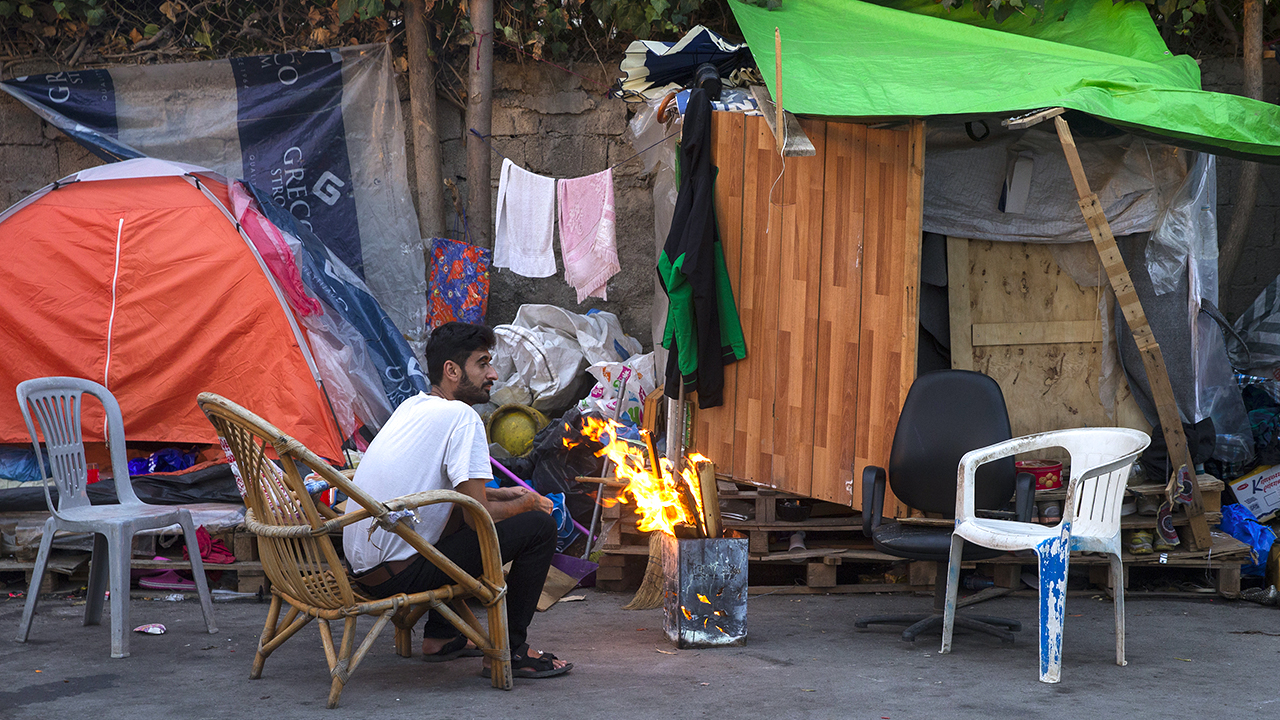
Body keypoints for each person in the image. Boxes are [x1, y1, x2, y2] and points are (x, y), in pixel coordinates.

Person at [342, 321, 571, 679]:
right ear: (452, 370)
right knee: (539, 527)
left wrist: (502, 492)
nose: (493, 374)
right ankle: (509, 651)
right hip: (401, 572)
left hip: (367, 570)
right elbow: (477, 517)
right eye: (482, 363)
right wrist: (528, 504)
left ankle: (441, 637)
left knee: (454, 514)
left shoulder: (412, 407)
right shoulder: (462, 417)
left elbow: (446, 491)